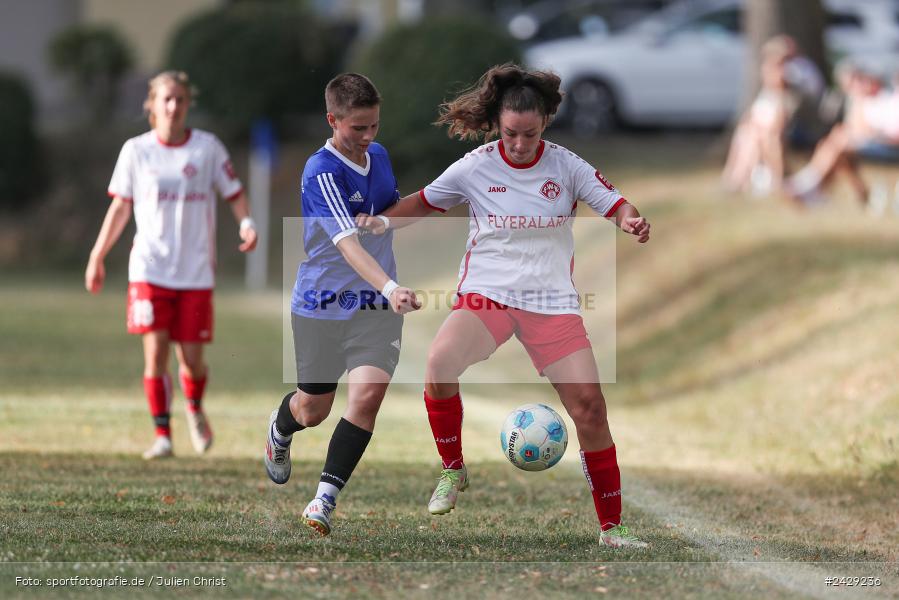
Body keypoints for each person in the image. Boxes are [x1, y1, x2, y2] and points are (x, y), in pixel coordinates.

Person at [357, 63, 651, 548]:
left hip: (549, 302)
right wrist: (378, 223)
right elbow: (426, 202)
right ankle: (453, 470)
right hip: (487, 295)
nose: (519, 144)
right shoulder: (476, 165)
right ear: (497, 124)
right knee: (439, 363)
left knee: (591, 410)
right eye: (511, 134)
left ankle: (612, 529)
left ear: (545, 126)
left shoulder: (566, 165)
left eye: (530, 135)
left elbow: (615, 203)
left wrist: (631, 222)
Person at [262, 73, 420, 536]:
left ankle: (323, 501)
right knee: (314, 409)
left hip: (373, 307)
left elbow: (388, 216)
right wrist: (392, 286)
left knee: (368, 395)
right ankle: (280, 428)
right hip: (322, 304)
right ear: (332, 120)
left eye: (374, 126)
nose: (368, 137)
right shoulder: (321, 172)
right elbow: (349, 245)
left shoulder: (380, 156)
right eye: (357, 128)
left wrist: (400, 217)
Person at [85, 71, 258, 460]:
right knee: (156, 352)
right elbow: (120, 207)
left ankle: (194, 408)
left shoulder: (208, 149)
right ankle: (162, 434)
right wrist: (97, 255)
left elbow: (234, 192)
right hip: (149, 269)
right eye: (166, 99)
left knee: (192, 360)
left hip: (195, 271)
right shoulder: (136, 151)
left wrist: (246, 223)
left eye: (180, 99)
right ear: (152, 105)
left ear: (187, 104)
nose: (173, 106)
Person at [722, 36, 798, 196]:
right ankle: (735, 178)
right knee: (744, 136)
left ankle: (742, 181)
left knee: (758, 138)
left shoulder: (787, 79)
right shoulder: (767, 88)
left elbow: (781, 116)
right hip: (764, 116)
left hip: (773, 121)